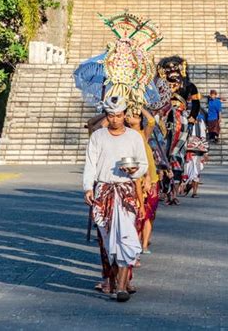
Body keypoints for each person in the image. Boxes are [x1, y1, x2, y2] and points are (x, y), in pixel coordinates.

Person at [83, 95, 148, 302]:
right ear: (107, 116)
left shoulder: (134, 137)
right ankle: (112, 279)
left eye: (118, 115)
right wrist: (87, 187)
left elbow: (144, 164)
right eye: (110, 115)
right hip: (103, 192)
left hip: (126, 191)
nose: (114, 119)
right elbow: (90, 164)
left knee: (126, 238)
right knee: (107, 241)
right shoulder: (98, 137)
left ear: (124, 115)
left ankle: (121, 286)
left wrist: (135, 170)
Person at [124, 107, 160, 253]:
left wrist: (141, 107)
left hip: (152, 178)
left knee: (150, 213)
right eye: (131, 115)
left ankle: (144, 244)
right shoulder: (125, 136)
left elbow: (151, 121)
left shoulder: (143, 134)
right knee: (138, 212)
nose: (134, 116)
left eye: (137, 115)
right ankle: (135, 244)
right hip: (136, 180)